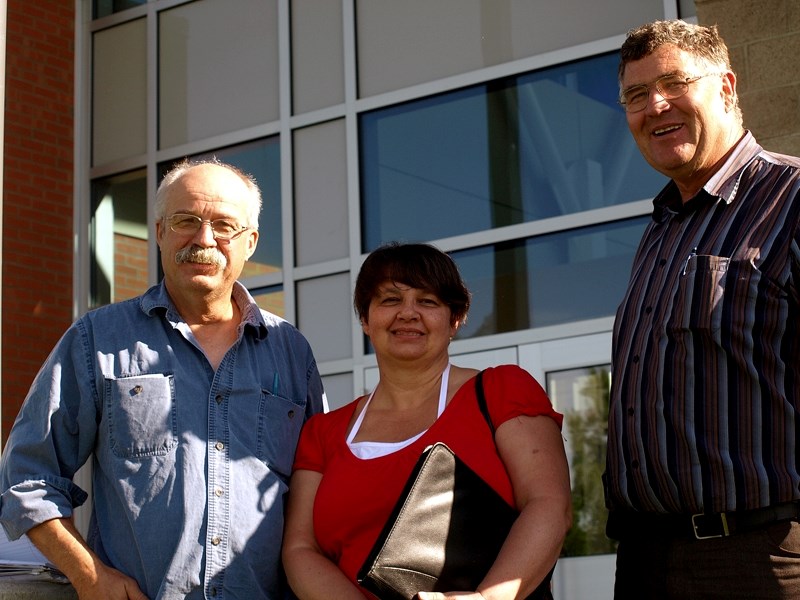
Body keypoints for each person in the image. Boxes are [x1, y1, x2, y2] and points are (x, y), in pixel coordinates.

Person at [0, 159, 326, 599]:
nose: (204, 239)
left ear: (250, 242)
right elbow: (27, 475)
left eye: (224, 225)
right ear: (159, 232)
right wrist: (89, 574)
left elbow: (321, 494)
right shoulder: (96, 340)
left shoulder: (291, 351)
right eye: (185, 220)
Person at [605, 19, 800, 599]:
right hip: (644, 561)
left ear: (727, 87)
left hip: (759, 560)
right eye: (636, 95)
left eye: (673, 82)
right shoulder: (659, 233)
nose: (654, 104)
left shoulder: (791, 197)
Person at [282, 242, 572, 600]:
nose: (408, 313)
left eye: (428, 301)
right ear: (365, 320)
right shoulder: (323, 431)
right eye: (390, 300)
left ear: (455, 320)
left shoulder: (501, 391)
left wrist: (486, 599)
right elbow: (300, 548)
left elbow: (548, 505)